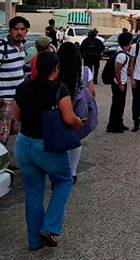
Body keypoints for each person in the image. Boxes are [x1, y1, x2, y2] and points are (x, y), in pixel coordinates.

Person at [13, 52, 83, 251]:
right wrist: (78, 122)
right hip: (47, 145)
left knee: (34, 192)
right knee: (64, 181)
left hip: (23, 143)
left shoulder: (23, 87)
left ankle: (34, 242)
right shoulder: (60, 89)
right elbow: (69, 119)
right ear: (56, 68)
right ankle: (50, 226)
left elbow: (16, 116)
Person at [0, 16, 30, 168]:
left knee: (12, 130)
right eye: (16, 29)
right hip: (4, 99)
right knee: (0, 132)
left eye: (22, 29)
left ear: (26, 31)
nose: (19, 32)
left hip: (18, 99)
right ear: (10, 31)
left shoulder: (21, 47)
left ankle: (4, 160)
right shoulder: (0, 47)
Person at [57, 42, 96, 183]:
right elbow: (92, 92)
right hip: (78, 110)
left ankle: (60, 170)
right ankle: (72, 172)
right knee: (75, 140)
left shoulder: (57, 70)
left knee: (60, 140)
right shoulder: (85, 71)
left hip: (59, 109)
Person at [106, 32, 132, 133]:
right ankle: (112, 126)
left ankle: (119, 123)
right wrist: (120, 84)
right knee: (117, 105)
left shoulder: (121, 51)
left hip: (121, 82)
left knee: (121, 104)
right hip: (118, 83)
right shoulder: (122, 55)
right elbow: (117, 71)